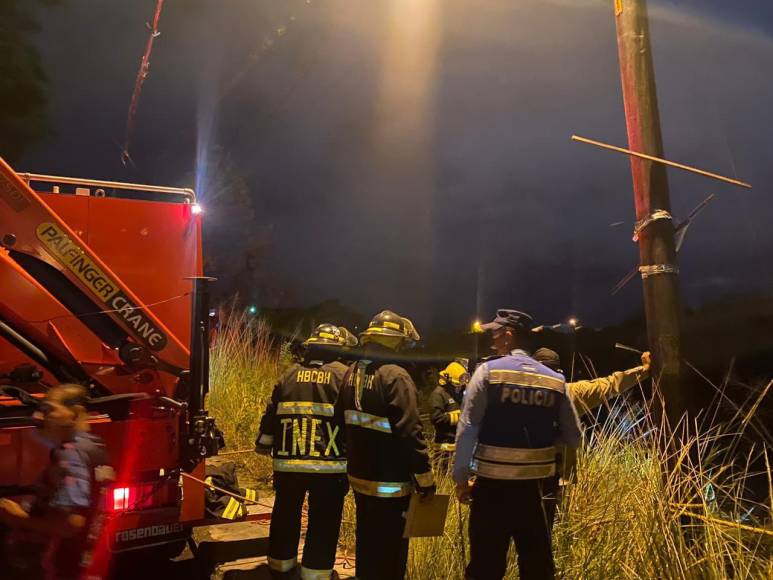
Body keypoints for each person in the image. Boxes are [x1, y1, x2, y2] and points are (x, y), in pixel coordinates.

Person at [454, 309, 582, 580]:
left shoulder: (487, 372)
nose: (492, 339)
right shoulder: (555, 380)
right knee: (537, 567)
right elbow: (574, 437)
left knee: (485, 567)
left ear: (509, 336)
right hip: (538, 490)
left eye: (495, 333)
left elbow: (467, 429)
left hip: (492, 489)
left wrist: (461, 478)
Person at [337, 310, 435, 580]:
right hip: (391, 486)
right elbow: (410, 432)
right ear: (395, 342)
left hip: (360, 479)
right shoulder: (397, 377)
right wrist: (425, 480)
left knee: (367, 545)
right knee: (391, 554)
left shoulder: (351, 373)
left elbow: (340, 421)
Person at [255, 323, 356, 580]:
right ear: (340, 350)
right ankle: (316, 573)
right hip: (329, 466)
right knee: (324, 519)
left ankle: (280, 566)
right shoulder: (345, 376)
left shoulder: (289, 375)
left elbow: (271, 414)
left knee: (285, 513)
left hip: (288, 463)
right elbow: (351, 421)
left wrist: (264, 443)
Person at [0, 383, 111, 580]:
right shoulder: (95, 447)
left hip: (59, 568)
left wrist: (16, 517)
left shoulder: (71, 454)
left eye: (49, 410)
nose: (38, 417)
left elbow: (70, 525)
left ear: (75, 415)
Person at [532, 347, 651, 524]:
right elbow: (611, 384)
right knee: (555, 531)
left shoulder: (519, 396)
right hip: (560, 482)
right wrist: (645, 370)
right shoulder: (570, 393)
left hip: (525, 479)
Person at [428, 361, 468, 469]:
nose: (459, 387)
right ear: (447, 379)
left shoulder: (459, 393)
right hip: (444, 450)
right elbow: (436, 418)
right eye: (457, 385)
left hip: (459, 447)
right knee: (444, 475)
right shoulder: (438, 394)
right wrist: (459, 417)